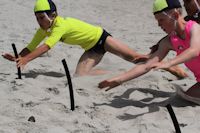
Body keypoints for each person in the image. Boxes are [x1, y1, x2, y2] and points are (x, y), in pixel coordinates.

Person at [2, 0, 149, 76]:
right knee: (81, 76)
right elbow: (31, 47)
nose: (39, 22)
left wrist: (26, 60)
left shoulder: (60, 25)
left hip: (102, 39)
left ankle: (162, 62)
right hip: (91, 49)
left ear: (53, 15)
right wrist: (19, 57)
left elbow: (47, 46)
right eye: (37, 18)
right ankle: (121, 74)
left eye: (41, 18)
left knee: (135, 58)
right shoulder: (43, 30)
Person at [99, 0, 200, 101]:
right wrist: (120, 79)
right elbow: (147, 65)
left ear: (174, 15)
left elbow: (194, 50)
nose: (158, 25)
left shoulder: (195, 28)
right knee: (186, 96)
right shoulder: (168, 41)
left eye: (161, 20)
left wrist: (168, 63)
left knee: (186, 97)